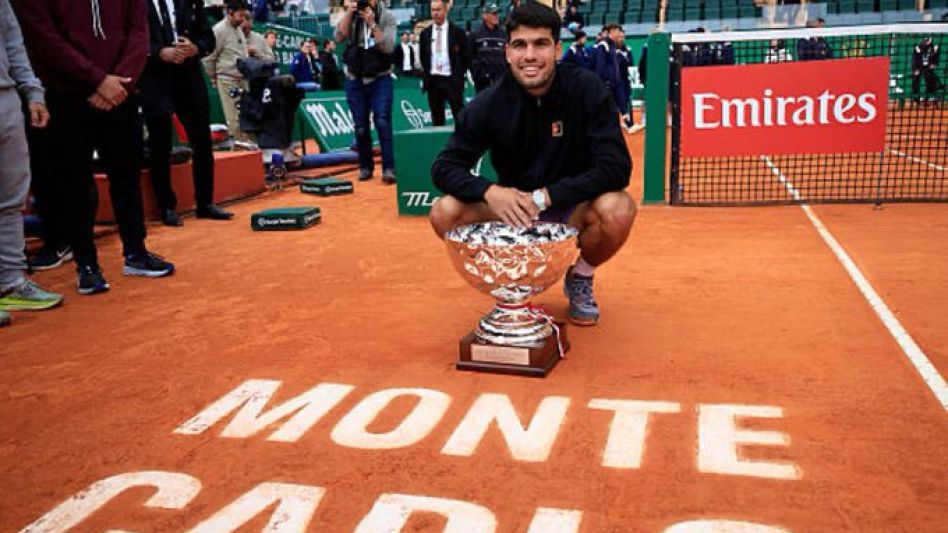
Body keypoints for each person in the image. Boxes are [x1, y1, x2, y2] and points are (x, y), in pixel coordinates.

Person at [429, 2, 635, 327]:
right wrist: (491, 191)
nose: (530, 55)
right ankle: (511, 289)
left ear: (557, 49)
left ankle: (580, 277)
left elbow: (616, 168)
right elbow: (444, 167)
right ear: (508, 52)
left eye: (540, 44)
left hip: (570, 210)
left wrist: (548, 195)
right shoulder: (487, 104)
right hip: (514, 214)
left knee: (618, 209)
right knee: (445, 212)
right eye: (519, 45)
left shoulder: (588, 89)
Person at [13, 0, 176, 295]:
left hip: (121, 92)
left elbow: (139, 33)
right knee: (73, 182)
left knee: (127, 176)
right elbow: (43, 37)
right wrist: (97, 80)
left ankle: (136, 252)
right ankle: (86, 265)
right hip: (66, 94)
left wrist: (120, 83)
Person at [140, 0, 234, 228]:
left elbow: (207, 38)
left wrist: (196, 48)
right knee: (160, 144)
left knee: (202, 141)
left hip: (189, 78)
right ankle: (167, 206)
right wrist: (158, 53)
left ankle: (205, 202)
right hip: (156, 79)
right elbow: (130, 39)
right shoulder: (136, 4)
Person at [0, 0, 62, 323]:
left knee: (12, 197)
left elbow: (13, 42)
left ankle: (11, 283)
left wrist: (33, 93)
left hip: (6, 99)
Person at [335, 0, 397, 183]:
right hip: (356, 77)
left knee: (382, 121)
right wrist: (348, 13)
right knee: (360, 126)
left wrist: (372, 23)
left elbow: (388, 46)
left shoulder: (387, 17)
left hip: (380, 76)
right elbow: (338, 37)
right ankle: (365, 166)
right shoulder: (351, 15)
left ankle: (389, 168)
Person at [203, 0, 255, 146]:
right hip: (227, 79)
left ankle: (249, 146)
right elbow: (209, 57)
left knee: (247, 116)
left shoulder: (238, 28)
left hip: (243, 78)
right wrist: (213, 77)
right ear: (229, 13)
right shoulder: (218, 30)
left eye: (244, 16)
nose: (242, 20)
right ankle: (240, 149)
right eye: (240, 16)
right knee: (234, 118)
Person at [420, 0, 469, 125]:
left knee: (459, 117)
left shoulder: (457, 32)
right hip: (434, 81)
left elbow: (465, 56)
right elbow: (423, 57)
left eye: (438, 10)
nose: (435, 13)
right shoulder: (425, 34)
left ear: (445, 10)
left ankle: (462, 144)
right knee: (437, 119)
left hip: (452, 80)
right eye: (433, 10)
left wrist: (459, 75)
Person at [468, 3, 507, 93]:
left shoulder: (503, 34)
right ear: (485, 16)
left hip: (500, 80)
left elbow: (507, 55)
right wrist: (479, 73)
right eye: (493, 14)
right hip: (482, 81)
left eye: (497, 13)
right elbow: (469, 57)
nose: (496, 16)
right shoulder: (475, 34)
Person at [911, 37, 941, 103]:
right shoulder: (918, 47)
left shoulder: (934, 48)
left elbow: (936, 58)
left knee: (931, 81)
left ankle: (929, 98)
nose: (926, 42)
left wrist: (934, 64)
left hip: (928, 67)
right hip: (919, 67)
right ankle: (916, 98)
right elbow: (914, 60)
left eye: (928, 41)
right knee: (915, 81)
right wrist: (915, 69)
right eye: (925, 41)